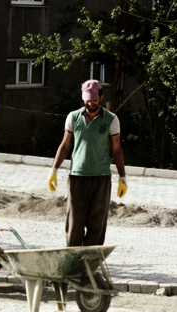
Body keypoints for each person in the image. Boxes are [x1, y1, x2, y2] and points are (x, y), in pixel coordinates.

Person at [47, 79, 127, 247]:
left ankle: (90, 262)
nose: (90, 103)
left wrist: (122, 177)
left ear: (101, 97)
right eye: (87, 99)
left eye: (94, 99)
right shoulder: (73, 117)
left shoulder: (111, 119)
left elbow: (117, 149)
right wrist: (53, 170)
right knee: (75, 222)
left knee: (97, 223)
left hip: (101, 178)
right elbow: (65, 144)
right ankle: (74, 261)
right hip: (77, 176)